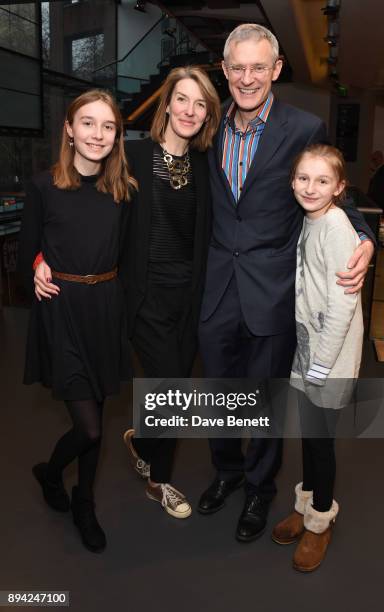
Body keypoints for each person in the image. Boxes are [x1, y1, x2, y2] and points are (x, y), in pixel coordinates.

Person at [197, 23, 375, 541]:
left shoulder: (303, 126)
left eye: (258, 67)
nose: (247, 78)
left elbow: (335, 187)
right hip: (216, 291)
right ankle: (227, 472)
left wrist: (364, 236)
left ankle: (258, 488)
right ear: (224, 71)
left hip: (273, 292)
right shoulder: (207, 128)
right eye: (237, 67)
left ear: (276, 70)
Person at [18, 89, 137, 553]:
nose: (97, 134)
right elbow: (27, 250)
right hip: (62, 309)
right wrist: (37, 263)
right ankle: (51, 475)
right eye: (88, 123)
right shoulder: (43, 185)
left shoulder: (122, 189)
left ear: (116, 136)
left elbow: (125, 256)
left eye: (108, 126)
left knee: (100, 419)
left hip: (105, 309)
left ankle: (83, 501)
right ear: (69, 129)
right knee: (87, 427)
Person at [120, 67, 221, 518]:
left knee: (173, 385)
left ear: (207, 115)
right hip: (146, 296)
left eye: (200, 104)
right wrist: (47, 257)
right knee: (172, 391)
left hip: (190, 297)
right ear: (167, 103)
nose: (190, 110)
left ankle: (141, 438)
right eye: (183, 99)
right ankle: (159, 482)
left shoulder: (206, 163)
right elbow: (89, 204)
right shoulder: (134, 156)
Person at [272, 144, 363, 572]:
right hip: (309, 353)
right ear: (292, 181)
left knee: (321, 445)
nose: (311, 187)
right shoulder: (310, 221)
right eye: (303, 178)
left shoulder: (336, 227)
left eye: (322, 180)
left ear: (339, 187)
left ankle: (321, 522)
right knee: (308, 437)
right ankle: (305, 506)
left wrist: (321, 365)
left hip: (329, 359)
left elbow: (344, 305)